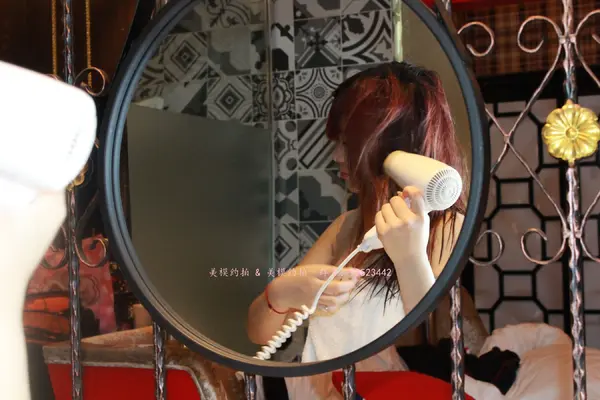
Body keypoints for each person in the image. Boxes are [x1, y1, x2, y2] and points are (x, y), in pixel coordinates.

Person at [246, 61, 467, 399]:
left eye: (348, 144)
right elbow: (260, 334)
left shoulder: (447, 228)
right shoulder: (346, 227)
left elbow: (428, 330)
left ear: (390, 147)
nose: (336, 156)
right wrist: (280, 294)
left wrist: (409, 257)